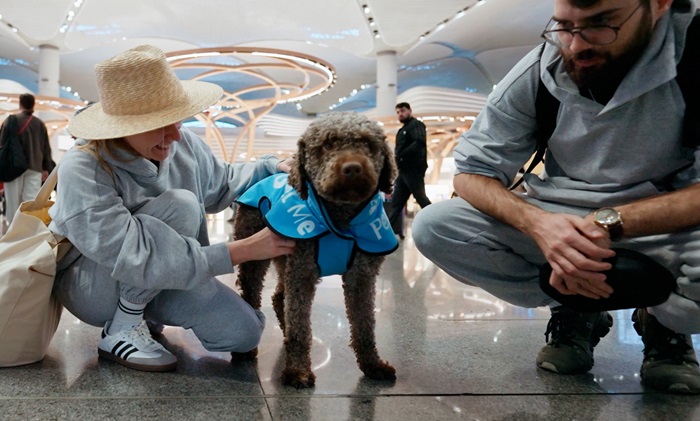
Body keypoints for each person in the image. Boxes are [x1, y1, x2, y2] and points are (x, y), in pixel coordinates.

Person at [413, 0, 700, 394]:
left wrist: (607, 224)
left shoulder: (693, 52)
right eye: (564, 26)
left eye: (602, 23)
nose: (575, 46)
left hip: (670, 219)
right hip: (561, 212)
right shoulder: (540, 68)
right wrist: (540, 226)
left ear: (660, 5)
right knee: (437, 227)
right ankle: (575, 306)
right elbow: (471, 174)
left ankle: (662, 322)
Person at [48, 45, 296, 372]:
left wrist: (273, 165)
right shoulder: (83, 168)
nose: (176, 133)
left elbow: (222, 181)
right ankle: (123, 326)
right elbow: (134, 253)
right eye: (160, 122)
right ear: (122, 126)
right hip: (94, 286)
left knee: (244, 333)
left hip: (166, 271)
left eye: (177, 118)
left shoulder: (180, 143)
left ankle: (144, 317)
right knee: (182, 205)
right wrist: (244, 250)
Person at [0, 93, 53, 224]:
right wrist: (46, 168)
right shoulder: (39, 124)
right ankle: (28, 232)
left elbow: (2, 144)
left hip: (13, 166)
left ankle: (14, 232)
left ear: (20, 104)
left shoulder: (11, 121)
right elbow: (45, 148)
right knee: (30, 202)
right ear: (33, 104)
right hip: (35, 166)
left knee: (13, 201)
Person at [386, 102, 431, 239]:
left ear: (410, 111)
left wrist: (400, 155)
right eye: (398, 112)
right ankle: (386, 233)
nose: (400, 114)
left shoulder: (416, 125)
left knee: (421, 199)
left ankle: (440, 223)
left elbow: (419, 142)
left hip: (413, 170)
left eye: (403, 111)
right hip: (404, 171)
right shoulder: (402, 130)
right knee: (396, 203)